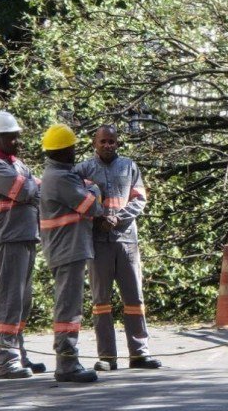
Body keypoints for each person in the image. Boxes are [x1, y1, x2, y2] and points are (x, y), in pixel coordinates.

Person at [77, 125, 162, 370]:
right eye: (103, 141)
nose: (107, 145)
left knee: (134, 297)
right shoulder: (83, 169)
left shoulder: (129, 166)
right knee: (101, 301)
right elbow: (76, 200)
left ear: (118, 143)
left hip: (126, 240)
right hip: (97, 242)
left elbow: (139, 199)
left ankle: (139, 354)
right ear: (94, 143)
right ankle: (107, 357)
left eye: (111, 141)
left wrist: (118, 218)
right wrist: (98, 218)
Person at [0, 110, 45, 379]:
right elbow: (27, 190)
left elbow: (39, 189)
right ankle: (7, 360)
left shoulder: (16, 164)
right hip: (6, 240)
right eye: (11, 136)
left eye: (17, 135)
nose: (17, 140)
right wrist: (32, 187)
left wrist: (34, 187)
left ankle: (20, 354)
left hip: (24, 237)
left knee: (22, 302)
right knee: (9, 301)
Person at [38, 124, 103, 383]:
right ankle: (67, 363)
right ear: (63, 151)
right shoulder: (61, 178)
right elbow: (91, 207)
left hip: (67, 248)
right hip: (68, 249)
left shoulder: (60, 175)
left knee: (69, 306)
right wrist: (94, 189)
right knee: (68, 308)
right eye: (72, 148)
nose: (75, 152)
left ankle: (68, 360)